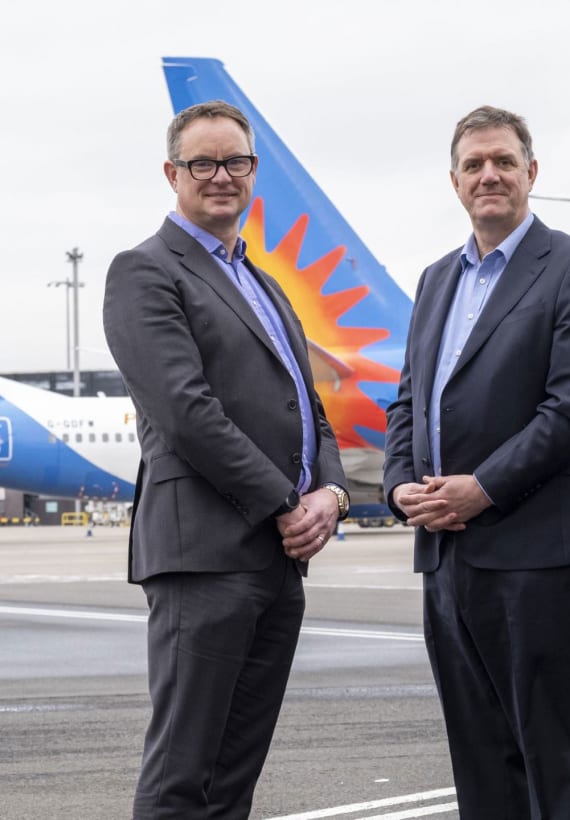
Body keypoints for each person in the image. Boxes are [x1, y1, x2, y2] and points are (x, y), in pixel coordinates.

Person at [103, 100, 351, 819]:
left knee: (233, 780)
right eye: (203, 163)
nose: (221, 176)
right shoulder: (145, 272)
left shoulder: (264, 283)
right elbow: (187, 411)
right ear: (172, 173)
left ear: (253, 172)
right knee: (183, 778)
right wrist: (284, 503)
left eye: (235, 162)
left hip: (274, 560)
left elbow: (310, 408)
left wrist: (329, 496)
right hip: (205, 557)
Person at [383, 105, 570, 819]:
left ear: (531, 173)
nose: (490, 175)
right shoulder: (435, 281)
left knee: (550, 753)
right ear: (454, 182)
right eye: (474, 164)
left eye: (504, 162)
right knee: (478, 757)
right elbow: (407, 402)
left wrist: (481, 490)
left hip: (533, 554)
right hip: (446, 556)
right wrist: (398, 489)